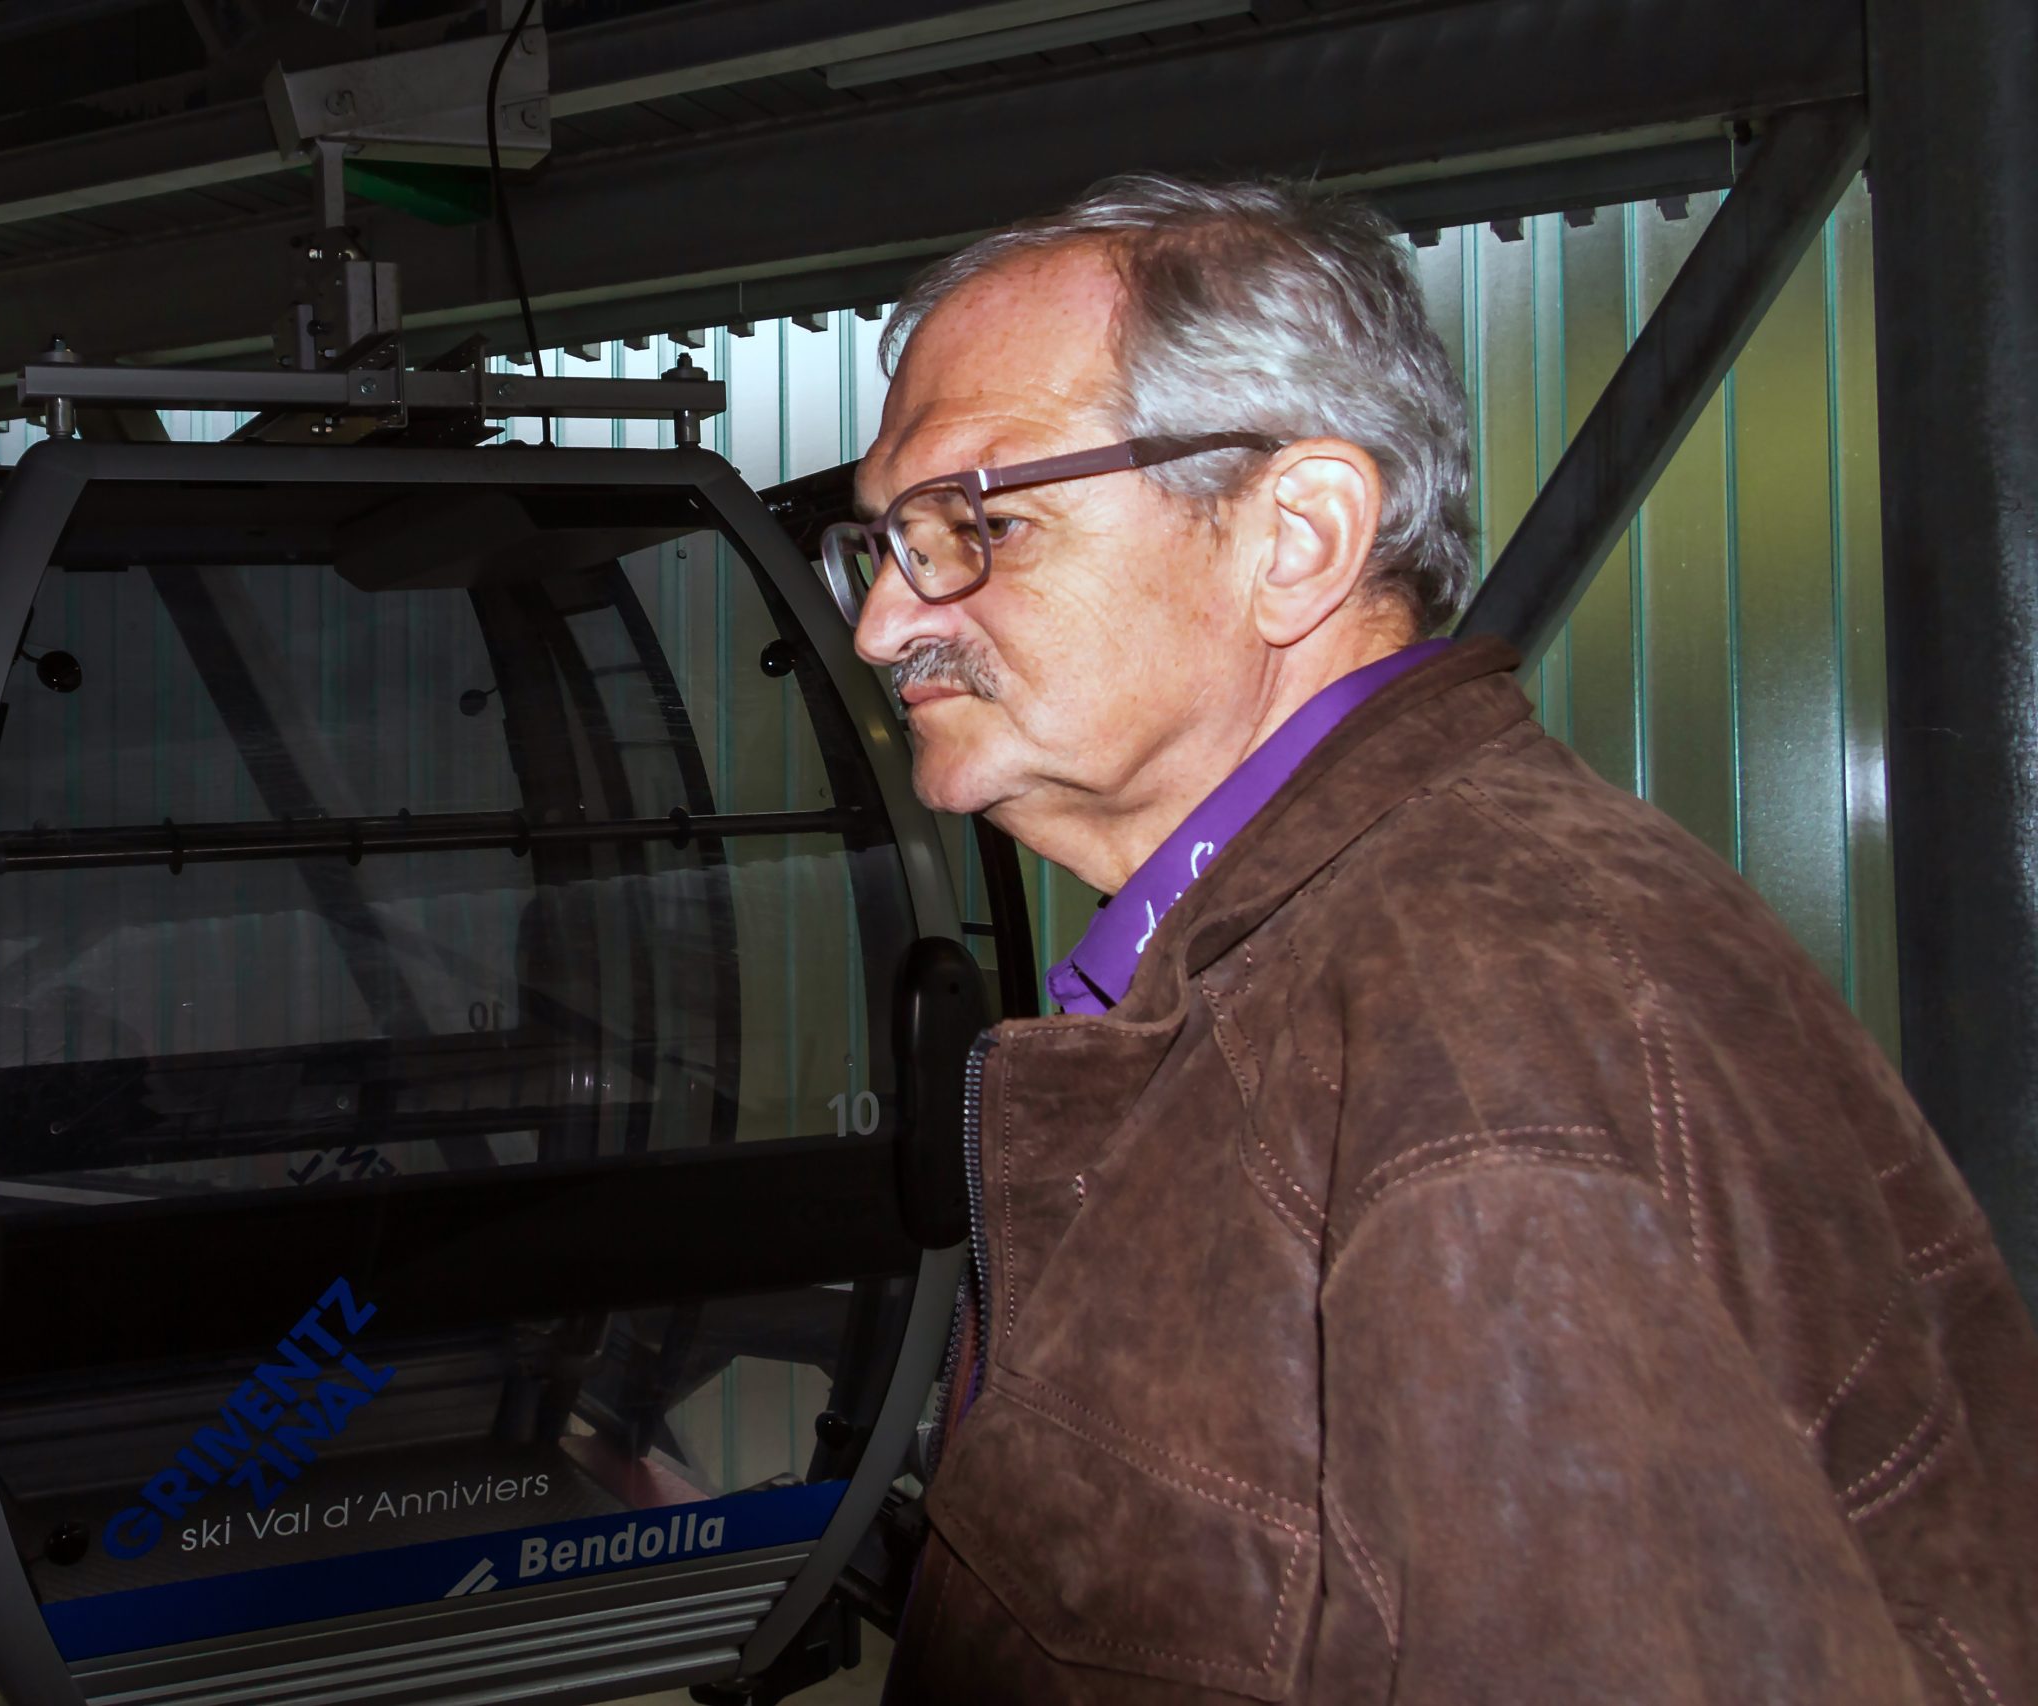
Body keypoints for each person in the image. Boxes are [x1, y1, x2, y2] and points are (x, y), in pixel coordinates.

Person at [828, 176, 2038, 1704]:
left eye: (976, 523)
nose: (883, 625)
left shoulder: (1482, 1040)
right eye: (882, 542)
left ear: (1297, 537)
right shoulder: (1311, 950)